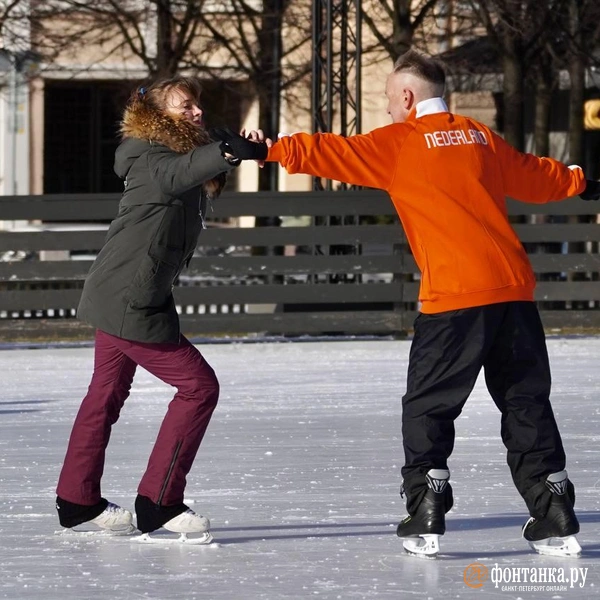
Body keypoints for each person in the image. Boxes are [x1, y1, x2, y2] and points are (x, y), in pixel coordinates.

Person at [211, 50, 600, 558]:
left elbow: (331, 152)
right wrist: (584, 182)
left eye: (390, 100)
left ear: (409, 97)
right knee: (525, 401)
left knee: (428, 405)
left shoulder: (401, 141)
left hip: (454, 297)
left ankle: (426, 509)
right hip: (512, 290)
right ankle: (552, 509)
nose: (388, 111)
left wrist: (266, 152)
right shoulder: (478, 136)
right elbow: (536, 174)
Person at [56, 76, 267, 542]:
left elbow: (194, 173)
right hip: (132, 297)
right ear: (157, 118)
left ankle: (76, 500)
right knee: (199, 387)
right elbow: (175, 177)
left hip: (125, 289)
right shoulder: (149, 155)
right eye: (184, 106)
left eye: (197, 105)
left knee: (104, 396)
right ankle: (159, 502)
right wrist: (226, 153)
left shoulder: (175, 154)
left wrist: (232, 150)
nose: (196, 112)